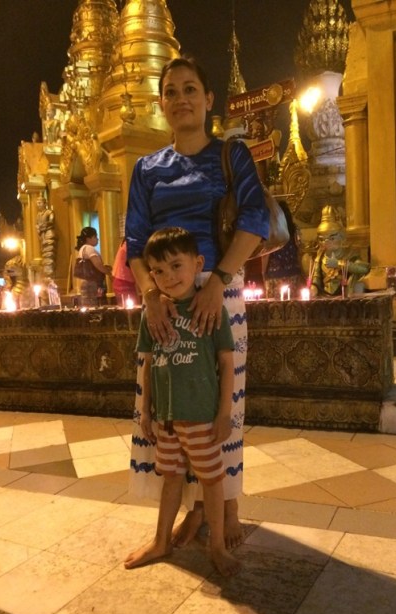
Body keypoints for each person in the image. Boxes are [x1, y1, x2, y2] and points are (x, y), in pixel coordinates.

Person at [125, 57, 269, 552]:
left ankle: (227, 504)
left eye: (191, 89)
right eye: (171, 91)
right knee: (171, 402)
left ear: (208, 100)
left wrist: (218, 280)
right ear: (162, 103)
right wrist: (150, 295)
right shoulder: (147, 169)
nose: (181, 98)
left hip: (218, 288)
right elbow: (135, 241)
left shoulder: (231, 155)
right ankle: (192, 509)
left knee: (221, 401)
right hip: (164, 296)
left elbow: (255, 220)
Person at [124, 227, 241, 576]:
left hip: (201, 417)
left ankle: (217, 546)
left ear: (198, 264)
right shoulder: (153, 314)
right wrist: (146, 411)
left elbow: (226, 363)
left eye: (177, 266)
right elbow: (148, 365)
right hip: (167, 419)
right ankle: (160, 541)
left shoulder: (210, 308)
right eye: (158, 271)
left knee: (212, 480)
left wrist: (224, 414)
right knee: (171, 478)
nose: (168, 277)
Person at [310, 206, 370, 297]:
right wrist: (313, 289)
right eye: (322, 239)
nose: (326, 242)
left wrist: (338, 263)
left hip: (345, 295)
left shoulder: (349, 253)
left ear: (341, 237)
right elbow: (316, 280)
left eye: (331, 238)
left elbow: (364, 269)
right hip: (325, 297)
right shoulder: (320, 257)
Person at [262, 201, 304, 299]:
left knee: (275, 306)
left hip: (275, 275)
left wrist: (263, 273)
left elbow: (265, 254)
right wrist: (301, 271)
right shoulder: (294, 229)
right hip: (294, 274)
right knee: (293, 305)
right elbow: (299, 251)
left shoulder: (272, 230)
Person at [74, 226, 112, 306]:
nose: (97, 239)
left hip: (87, 283)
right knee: (95, 305)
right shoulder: (89, 248)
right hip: (92, 283)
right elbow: (98, 265)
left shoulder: (83, 249)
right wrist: (109, 272)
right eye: (95, 237)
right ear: (88, 239)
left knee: (88, 305)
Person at [112, 239, 138, 305]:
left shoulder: (126, 243)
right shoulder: (130, 244)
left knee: (127, 307)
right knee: (129, 308)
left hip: (121, 279)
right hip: (123, 280)